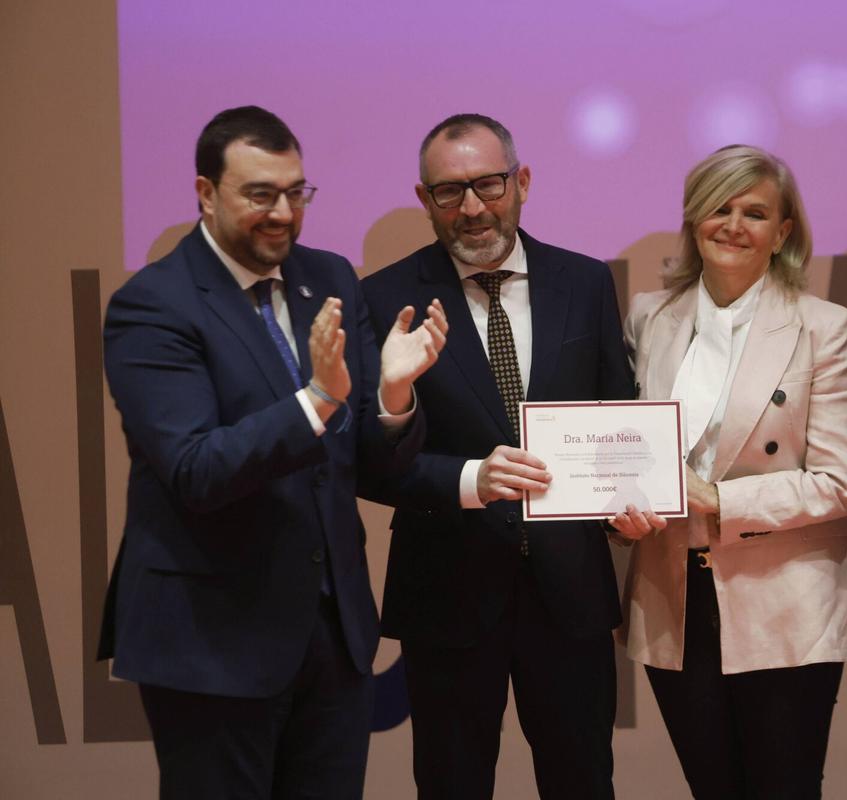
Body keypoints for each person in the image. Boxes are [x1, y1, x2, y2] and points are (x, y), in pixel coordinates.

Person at [98, 105, 448, 799]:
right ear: (206, 193)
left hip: (332, 634)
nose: (284, 213)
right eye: (260, 194)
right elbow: (196, 471)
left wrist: (395, 399)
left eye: (296, 192)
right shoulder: (154, 305)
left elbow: (371, 464)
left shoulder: (332, 280)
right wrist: (319, 398)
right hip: (214, 640)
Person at [360, 113, 634, 799]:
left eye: (488, 184)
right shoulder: (385, 299)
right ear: (424, 200)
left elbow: (619, 416)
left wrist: (632, 495)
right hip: (447, 591)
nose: (473, 207)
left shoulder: (586, 282)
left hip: (568, 595)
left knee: (584, 784)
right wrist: (467, 480)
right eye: (450, 192)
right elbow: (371, 460)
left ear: (522, 181)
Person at [611, 144, 847, 799]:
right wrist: (618, 509)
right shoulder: (649, 317)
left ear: (783, 232)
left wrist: (716, 499)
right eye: (719, 207)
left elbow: (838, 483)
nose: (734, 224)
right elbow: (623, 449)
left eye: (755, 212)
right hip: (674, 597)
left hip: (786, 600)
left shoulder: (825, 328)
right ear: (693, 216)